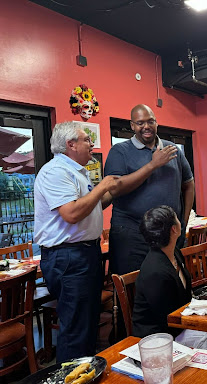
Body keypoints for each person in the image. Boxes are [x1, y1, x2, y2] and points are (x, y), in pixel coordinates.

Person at [34, 121, 120, 362]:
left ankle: (86, 371)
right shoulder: (56, 172)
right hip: (68, 257)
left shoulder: (76, 172)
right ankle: (71, 375)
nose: (91, 144)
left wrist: (116, 190)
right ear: (70, 144)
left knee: (87, 322)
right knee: (75, 329)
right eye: (86, 140)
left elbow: (91, 206)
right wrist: (102, 185)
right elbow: (71, 214)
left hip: (84, 254)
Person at [132, 205, 207, 356]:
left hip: (179, 322)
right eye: (177, 219)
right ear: (174, 229)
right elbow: (168, 319)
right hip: (160, 338)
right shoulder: (156, 271)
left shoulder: (174, 253)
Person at [104, 104, 195, 276]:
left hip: (168, 233)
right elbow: (114, 188)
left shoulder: (172, 150)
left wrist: (182, 221)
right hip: (131, 234)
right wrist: (152, 165)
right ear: (132, 126)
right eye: (140, 123)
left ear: (156, 123)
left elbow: (189, 184)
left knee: (169, 282)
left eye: (150, 121)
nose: (146, 126)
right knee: (132, 286)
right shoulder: (119, 151)